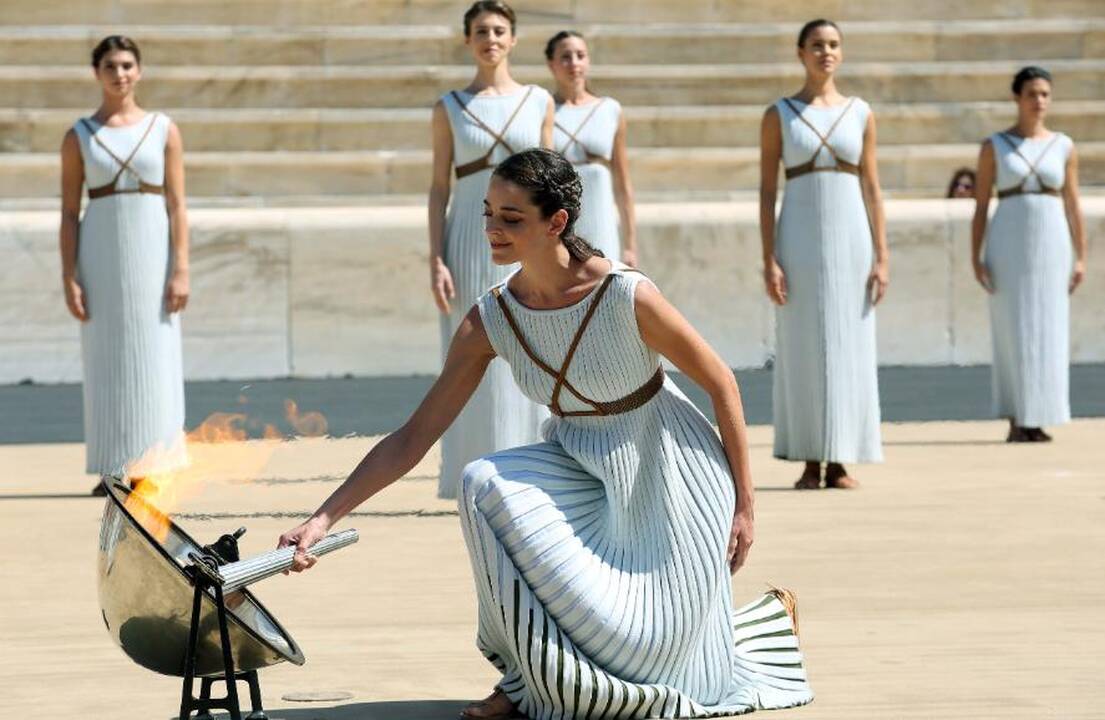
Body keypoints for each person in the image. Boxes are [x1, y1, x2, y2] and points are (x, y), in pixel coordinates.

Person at [279, 149, 813, 719]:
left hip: (672, 469)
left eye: (511, 218)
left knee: (656, 662)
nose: (491, 229)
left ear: (556, 222)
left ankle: (755, 623)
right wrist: (322, 518)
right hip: (579, 465)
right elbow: (414, 437)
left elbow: (722, 383)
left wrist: (745, 506)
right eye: (488, 213)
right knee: (483, 482)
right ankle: (518, 677)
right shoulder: (492, 319)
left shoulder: (626, 294)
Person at [429, 0, 553, 499]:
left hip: (528, 240)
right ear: (468, 40)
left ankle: (532, 468)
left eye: (500, 30)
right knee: (471, 349)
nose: (491, 39)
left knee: (530, 344)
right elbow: (439, 187)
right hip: (469, 237)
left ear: (513, 39)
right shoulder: (450, 107)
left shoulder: (538, 101)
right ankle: (474, 471)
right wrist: (436, 256)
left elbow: (553, 178)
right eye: (481, 31)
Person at [759, 19, 889, 490]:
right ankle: (808, 458)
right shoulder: (780, 113)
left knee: (850, 341)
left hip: (852, 236)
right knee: (802, 343)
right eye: (817, 45)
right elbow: (766, 190)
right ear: (800, 53)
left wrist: (882, 255)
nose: (826, 53)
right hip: (798, 236)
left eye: (833, 45)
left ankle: (841, 460)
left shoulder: (860, 112)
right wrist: (769, 256)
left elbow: (872, 187)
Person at [59, 35, 190, 495]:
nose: (120, 74)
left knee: (155, 353)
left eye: (128, 65)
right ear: (97, 73)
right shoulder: (79, 135)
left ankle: (154, 462)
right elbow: (68, 213)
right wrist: (69, 276)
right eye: (111, 66)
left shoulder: (162, 128)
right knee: (107, 358)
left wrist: (182, 268)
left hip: (153, 250)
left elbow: (177, 205)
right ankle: (113, 466)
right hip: (101, 253)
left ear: (139, 71)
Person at [970, 66, 1086, 443]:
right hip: (1008, 241)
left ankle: (1042, 413)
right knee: (1013, 327)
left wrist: (1080, 255)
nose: (1039, 101)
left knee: (1049, 327)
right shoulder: (995, 146)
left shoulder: (1064, 146)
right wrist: (977, 255)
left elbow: (1072, 203)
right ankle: (1018, 415)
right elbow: (981, 204)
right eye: (1032, 94)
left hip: (1052, 241)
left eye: (1045, 94)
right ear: (1017, 98)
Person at [545, 30, 638, 265]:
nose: (574, 63)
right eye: (566, 56)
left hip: (602, 220)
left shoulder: (610, 110)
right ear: (552, 64)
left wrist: (630, 245)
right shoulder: (542, 109)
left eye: (580, 55)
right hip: (560, 225)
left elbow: (623, 183)